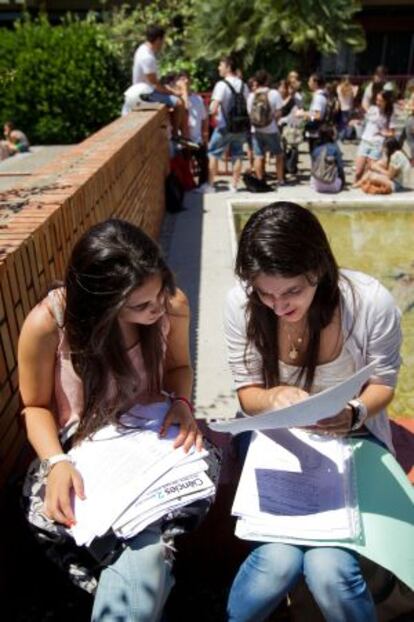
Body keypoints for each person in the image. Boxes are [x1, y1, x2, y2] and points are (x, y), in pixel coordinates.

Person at [224, 201, 402, 622]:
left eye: (291, 292)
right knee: (276, 564)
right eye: (264, 293)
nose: (277, 306)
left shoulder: (370, 302)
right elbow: (247, 391)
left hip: (352, 440)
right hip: (276, 443)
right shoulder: (241, 304)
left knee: (330, 570)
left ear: (318, 270)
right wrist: (271, 398)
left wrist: (354, 412)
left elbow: (384, 385)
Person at [18, 219, 203, 621]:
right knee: (141, 551)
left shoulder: (172, 304)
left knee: (143, 546)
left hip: (152, 441)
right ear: (100, 304)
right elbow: (34, 407)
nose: (157, 309)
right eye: (140, 306)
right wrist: (57, 462)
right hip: (82, 452)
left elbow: (179, 368)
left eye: (159, 295)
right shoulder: (49, 323)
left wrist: (183, 403)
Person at [132, 25, 190, 143]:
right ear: (158, 40)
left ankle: (177, 132)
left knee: (174, 97)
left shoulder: (142, 49)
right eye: (163, 40)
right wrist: (173, 92)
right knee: (179, 103)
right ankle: (175, 135)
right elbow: (155, 84)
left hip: (146, 90)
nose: (163, 44)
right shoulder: (147, 57)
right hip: (145, 94)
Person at [207, 56, 249, 193]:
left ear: (228, 67)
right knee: (237, 154)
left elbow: (214, 107)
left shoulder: (221, 85)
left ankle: (210, 185)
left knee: (213, 153)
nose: (219, 68)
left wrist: (209, 112)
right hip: (241, 126)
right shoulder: (243, 85)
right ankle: (234, 185)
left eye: (220, 65)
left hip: (224, 126)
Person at [247, 70, 284, 185]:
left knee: (258, 155)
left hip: (256, 130)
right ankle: (280, 180)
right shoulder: (274, 93)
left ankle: (260, 179)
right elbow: (279, 112)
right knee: (279, 154)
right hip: (271, 129)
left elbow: (250, 113)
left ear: (256, 82)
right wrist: (272, 120)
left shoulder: (251, 96)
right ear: (267, 80)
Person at [175, 71, 210, 191]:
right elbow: (185, 108)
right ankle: (186, 186)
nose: (185, 82)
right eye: (182, 80)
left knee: (203, 161)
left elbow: (204, 118)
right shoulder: (176, 99)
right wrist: (183, 91)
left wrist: (205, 135)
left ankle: (202, 184)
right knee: (184, 164)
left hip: (196, 138)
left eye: (187, 79)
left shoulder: (198, 99)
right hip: (182, 139)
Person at [354, 90, 396, 181]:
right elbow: (365, 121)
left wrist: (383, 133)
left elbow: (392, 133)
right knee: (358, 172)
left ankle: (365, 189)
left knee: (369, 170)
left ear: (386, 101)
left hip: (377, 143)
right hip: (365, 141)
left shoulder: (390, 114)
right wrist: (357, 121)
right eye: (377, 100)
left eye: (380, 100)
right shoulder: (372, 108)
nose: (378, 102)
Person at [296, 73, 328, 153]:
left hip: (316, 132)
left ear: (315, 83)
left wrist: (303, 114)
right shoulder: (323, 95)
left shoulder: (318, 97)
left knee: (315, 155)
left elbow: (318, 115)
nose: (308, 83)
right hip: (318, 131)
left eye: (310, 81)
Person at [310, 123, 345, 193]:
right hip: (333, 186)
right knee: (340, 176)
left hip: (317, 186)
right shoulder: (335, 149)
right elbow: (340, 168)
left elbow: (313, 168)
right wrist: (343, 182)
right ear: (332, 135)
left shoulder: (315, 150)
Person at [336, 76, 357, 140]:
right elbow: (355, 95)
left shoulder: (339, 88)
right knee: (349, 123)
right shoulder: (352, 88)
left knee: (343, 123)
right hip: (350, 108)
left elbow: (338, 97)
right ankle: (348, 135)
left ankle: (342, 136)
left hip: (342, 108)